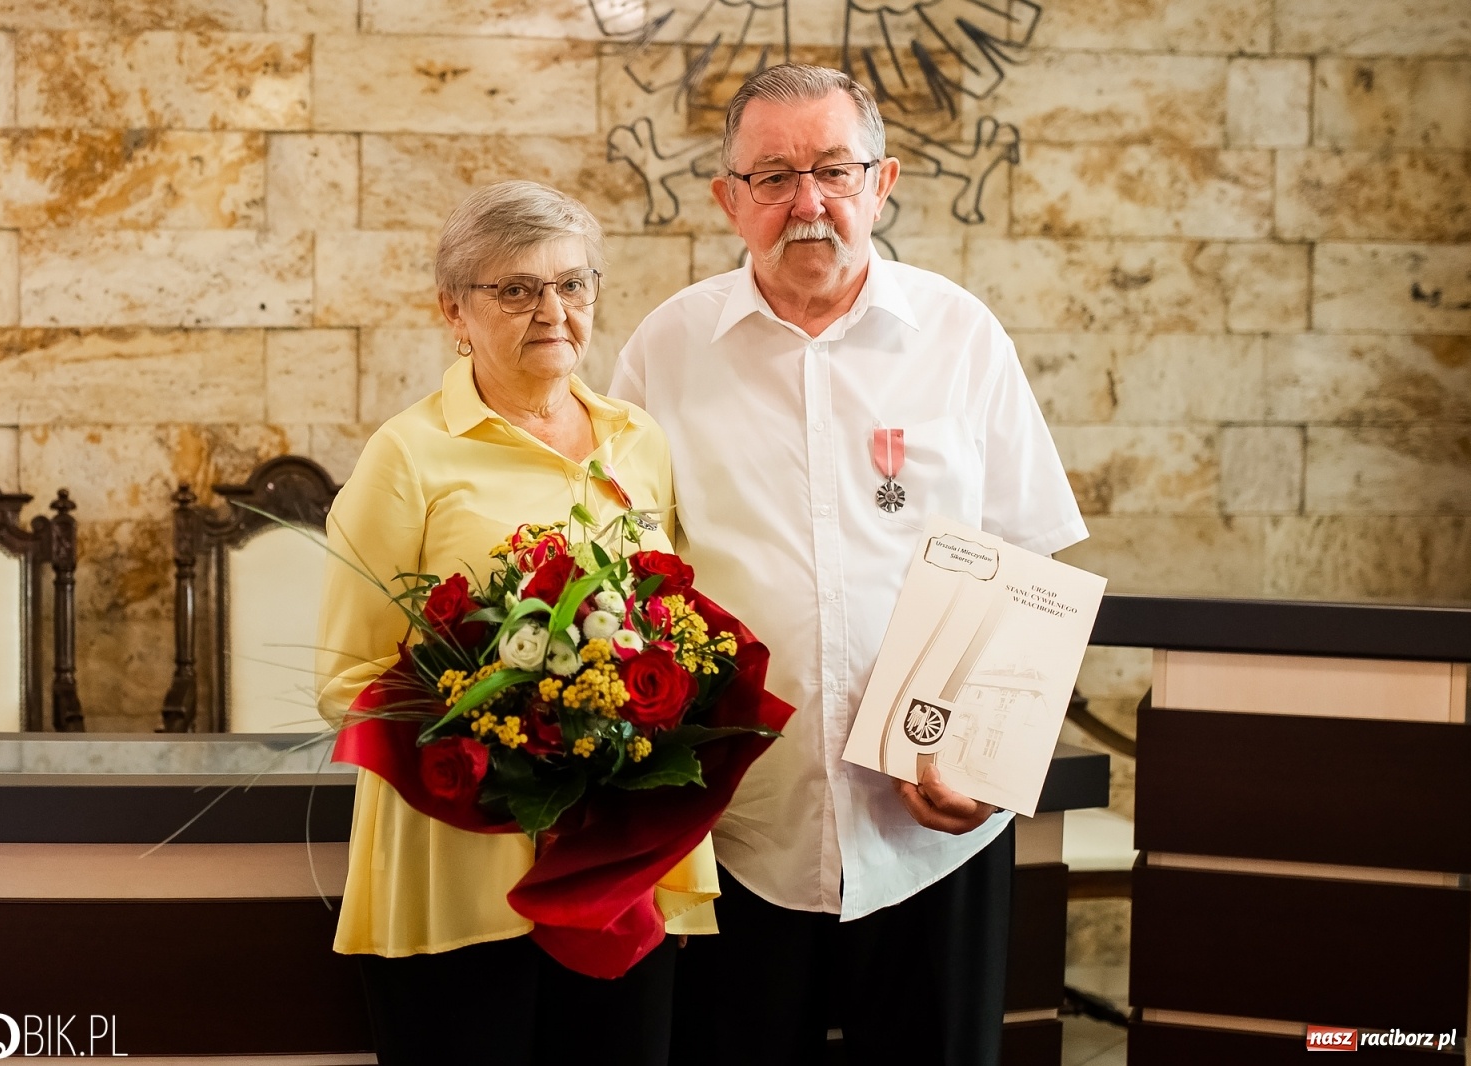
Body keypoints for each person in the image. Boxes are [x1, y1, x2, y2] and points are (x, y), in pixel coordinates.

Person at [609, 65, 1088, 1065]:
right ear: (727, 199)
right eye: (773, 174)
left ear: (883, 181)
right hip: (737, 824)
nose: (807, 201)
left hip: (931, 831)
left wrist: (991, 765)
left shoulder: (960, 337)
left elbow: (1028, 558)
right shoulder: (667, 349)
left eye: (833, 167)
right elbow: (627, 579)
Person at [315, 180, 718, 1066]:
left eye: (574, 284)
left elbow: (675, 636)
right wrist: (522, 750)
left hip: (621, 869)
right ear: (453, 311)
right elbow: (350, 683)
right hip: (460, 875)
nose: (553, 310)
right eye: (515, 288)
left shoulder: (638, 442)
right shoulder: (408, 455)